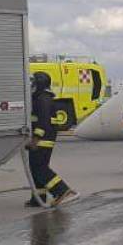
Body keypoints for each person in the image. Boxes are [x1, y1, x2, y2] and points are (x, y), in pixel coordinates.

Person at [26, 72, 79, 207]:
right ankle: (39, 198)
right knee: (35, 169)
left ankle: (61, 190)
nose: (31, 85)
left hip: (42, 140)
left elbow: (43, 121)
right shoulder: (42, 97)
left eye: (34, 83)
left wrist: (36, 138)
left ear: (40, 83)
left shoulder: (42, 99)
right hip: (43, 139)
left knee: (40, 168)